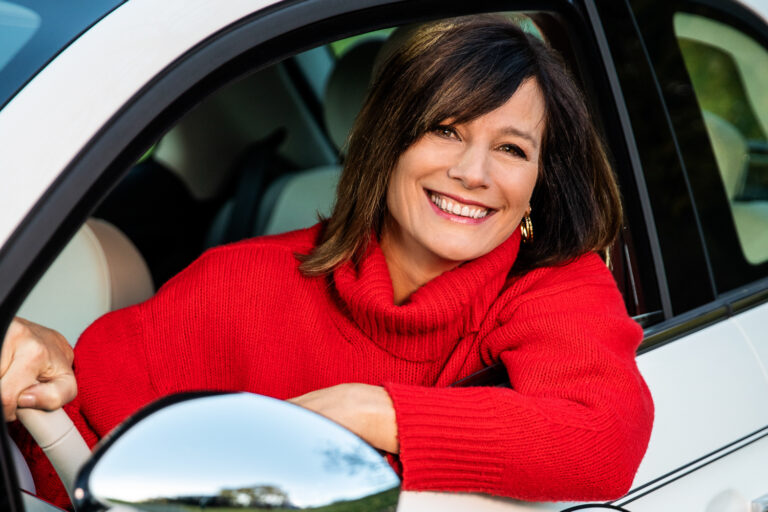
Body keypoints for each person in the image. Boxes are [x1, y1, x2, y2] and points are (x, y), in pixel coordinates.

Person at [2, 15, 654, 508]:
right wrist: (42, 359)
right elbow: (76, 435)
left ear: (540, 176)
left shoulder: (553, 288)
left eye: (511, 149)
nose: (472, 173)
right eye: (445, 130)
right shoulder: (236, 285)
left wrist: (365, 413)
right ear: (386, 139)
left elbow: (602, 439)